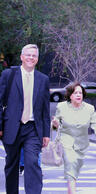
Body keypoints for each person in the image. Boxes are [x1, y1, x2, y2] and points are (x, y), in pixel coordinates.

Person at [0, 44, 50, 194]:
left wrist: (46, 133)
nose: (31, 58)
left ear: (37, 59)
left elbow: (45, 109)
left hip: (33, 128)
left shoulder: (43, 79)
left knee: (33, 163)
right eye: (28, 55)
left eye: (34, 55)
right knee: (11, 165)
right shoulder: (8, 75)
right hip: (12, 127)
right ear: (22, 57)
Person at [51, 82, 96, 194]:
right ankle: (73, 191)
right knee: (70, 163)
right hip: (66, 140)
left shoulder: (89, 108)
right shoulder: (62, 107)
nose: (78, 95)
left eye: (80, 93)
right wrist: (55, 124)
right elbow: (55, 125)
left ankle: (71, 188)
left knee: (74, 169)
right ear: (70, 95)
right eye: (75, 93)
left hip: (82, 143)